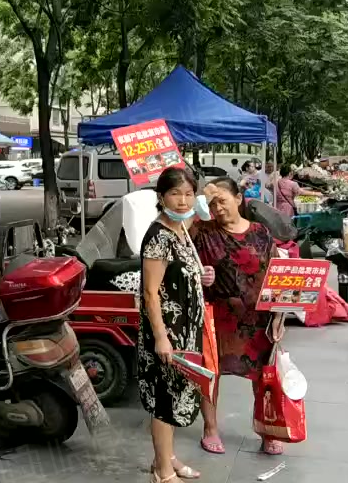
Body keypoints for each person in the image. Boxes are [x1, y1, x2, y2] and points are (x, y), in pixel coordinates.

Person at [191, 178, 286, 456]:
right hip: (217, 316)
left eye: (222, 200)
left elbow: (276, 272)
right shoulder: (203, 232)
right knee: (210, 374)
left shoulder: (260, 232)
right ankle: (210, 429)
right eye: (212, 203)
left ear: (239, 198)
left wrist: (280, 315)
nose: (217, 207)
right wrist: (202, 276)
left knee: (263, 377)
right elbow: (185, 254)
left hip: (258, 318)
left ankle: (267, 430)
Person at [137, 167, 210, 483]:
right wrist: (161, 338)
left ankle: (167, 457)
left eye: (188, 194)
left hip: (186, 330)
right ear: (161, 196)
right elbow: (150, 293)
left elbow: (182, 271)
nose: (183, 201)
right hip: (167, 332)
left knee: (176, 394)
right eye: (175, 194)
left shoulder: (182, 228)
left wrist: (201, 273)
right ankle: (163, 472)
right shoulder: (159, 236)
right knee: (163, 401)